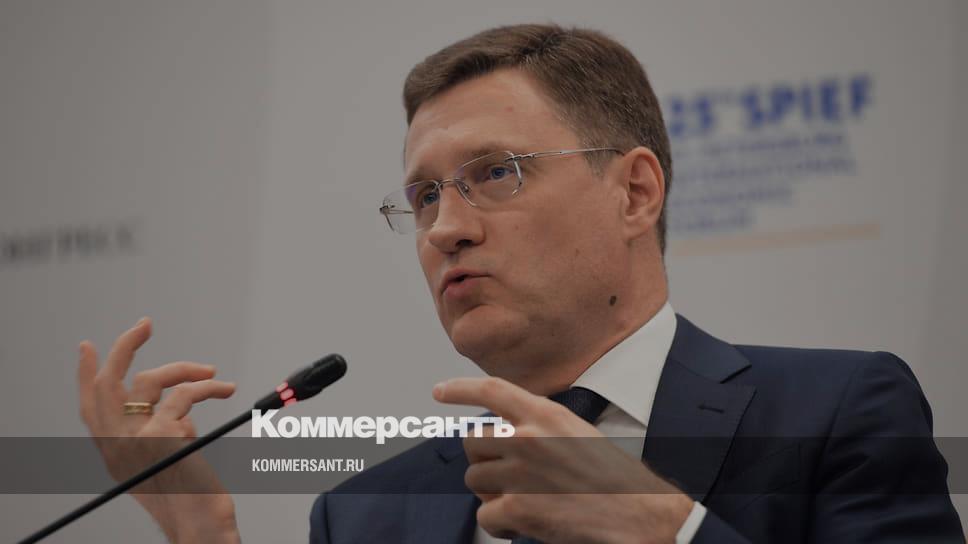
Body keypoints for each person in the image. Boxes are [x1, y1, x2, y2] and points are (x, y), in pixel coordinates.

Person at [78, 24, 964, 543]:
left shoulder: (835, 412)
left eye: (496, 172)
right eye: (424, 196)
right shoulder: (367, 515)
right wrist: (201, 533)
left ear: (635, 191)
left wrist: (667, 531)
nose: (445, 228)